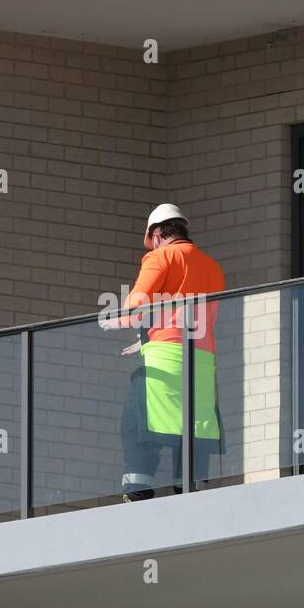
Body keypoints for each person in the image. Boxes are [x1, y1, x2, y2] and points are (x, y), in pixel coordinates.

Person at [99, 204, 225, 502]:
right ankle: (190, 490)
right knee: (194, 426)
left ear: (157, 235)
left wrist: (112, 321)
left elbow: (134, 307)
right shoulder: (212, 267)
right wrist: (146, 339)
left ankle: (137, 490)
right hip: (203, 362)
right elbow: (195, 316)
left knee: (136, 419)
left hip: (165, 359)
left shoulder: (160, 257)